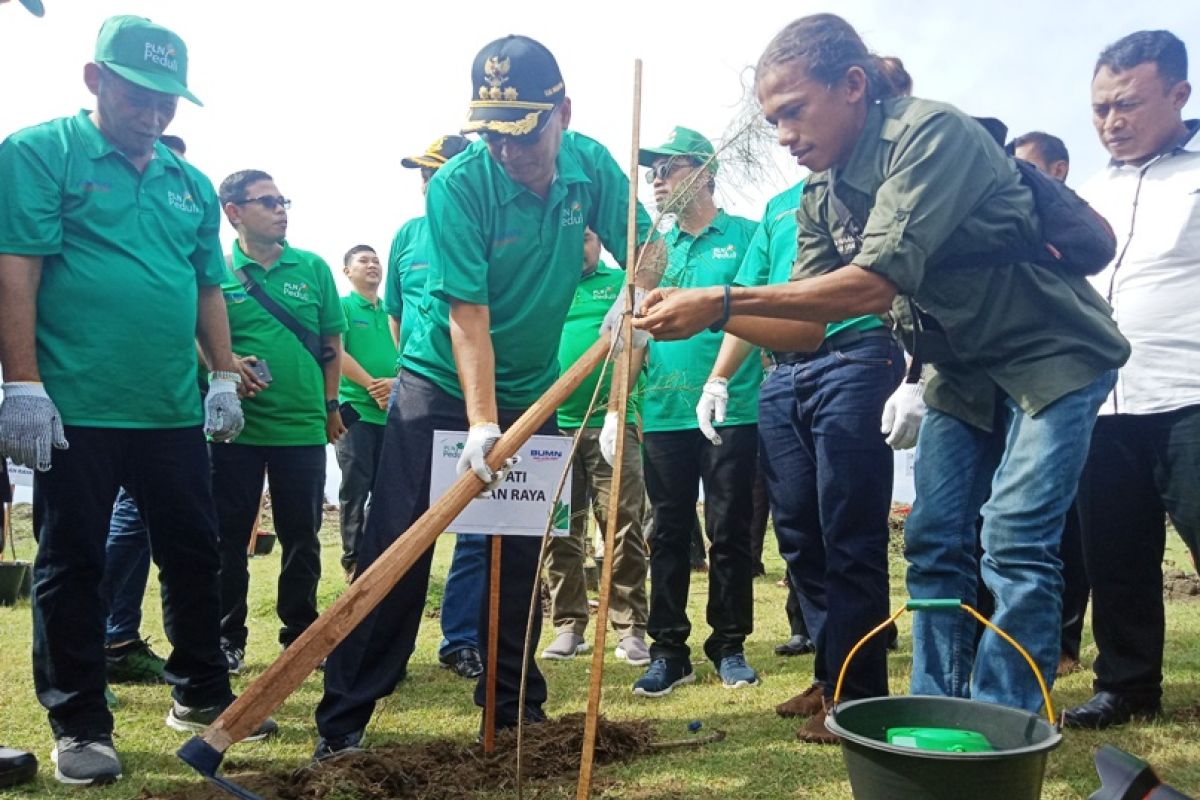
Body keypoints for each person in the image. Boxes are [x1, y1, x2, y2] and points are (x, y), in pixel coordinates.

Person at [634, 12, 1130, 718]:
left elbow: (874, 282)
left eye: (794, 112)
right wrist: (714, 312)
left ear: (853, 86)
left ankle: (1000, 724)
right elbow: (807, 330)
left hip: (1053, 353)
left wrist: (721, 298)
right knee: (932, 541)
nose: (784, 136)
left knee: (1015, 538)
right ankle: (937, 711)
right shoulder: (817, 196)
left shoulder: (931, 135)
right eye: (773, 120)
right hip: (960, 370)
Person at [312, 34, 652, 757]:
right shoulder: (458, 185)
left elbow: (647, 243)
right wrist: (480, 423)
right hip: (437, 390)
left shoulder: (591, 165)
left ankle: (511, 712)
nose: (507, 150)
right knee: (399, 553)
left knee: (518, 555)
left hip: (536, 389)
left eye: (522, 131)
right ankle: (343, 723)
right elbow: (469, 317)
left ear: (563, 111)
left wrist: (637, 288)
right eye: (491, 134)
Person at [0, 15, 275, 785]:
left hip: (168, 410)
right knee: (72, 563)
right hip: (77, 404)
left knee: (195, 553)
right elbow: (15, 267)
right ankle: (80, 720)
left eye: (168, 102)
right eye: (139, 96)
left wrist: (221, 374)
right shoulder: (37, 153)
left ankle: (201, 698)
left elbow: (205, 285)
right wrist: (20, 384)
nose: (154, 115)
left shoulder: (188, 182)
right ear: (95, 80)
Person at [708, 163, 904, 740]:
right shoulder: (776, 207)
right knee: (797, 535)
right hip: (783, 375)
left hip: (857, 356)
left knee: (849, 531)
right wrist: (718, 379)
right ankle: (830, 675)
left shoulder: (875, 187)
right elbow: (747, 303)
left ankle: (859, 697)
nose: (792, 135)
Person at [1065, 29, 1200, 730]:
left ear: (1179, 94)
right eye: (1099, 109)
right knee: (1113, 552)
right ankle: (1126, 685)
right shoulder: (1091, 192)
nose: (1111, 123)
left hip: (1191, 395)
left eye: (1128, 104)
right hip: (1102, 400)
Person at [631, 126, 762, 698]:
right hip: (663, 410)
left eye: (671, 168)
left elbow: (757, 315)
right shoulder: (654, 251)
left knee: (730, 529)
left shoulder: (746, 237)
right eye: (652, 172)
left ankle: (729, 645)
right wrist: (620, 408)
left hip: (730, 407)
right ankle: (667, 649)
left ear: (706, 171)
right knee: (667, 532)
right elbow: (632, 333)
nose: (658, 180)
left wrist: (719, 380)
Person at [213, 169, 346, 674]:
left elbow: (332, 344)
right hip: (233, 430)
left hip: (301, 428)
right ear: (234, 212)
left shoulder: (311, 268)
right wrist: (224, 363)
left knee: (302, 536)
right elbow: (195, 338)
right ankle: (227, 638)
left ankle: (300, 635)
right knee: (228, 539)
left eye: (282, 200)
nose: (280, 209)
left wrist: (332, 406)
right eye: (267, 202)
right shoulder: (217, 271)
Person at [387, 133, 484, 680]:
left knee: (478, 524)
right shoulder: (408, 234)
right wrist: (412, 365)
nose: (428, 184)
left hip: (482, 395)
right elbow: (397, 313)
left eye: (437, 173)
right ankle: (387, 654)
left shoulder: (483, 229)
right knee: (406, 527)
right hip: (420, 390)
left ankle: (462, 639)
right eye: (423, 175)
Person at [1002, 130, 1090, 678]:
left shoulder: (1076, 228)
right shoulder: (1011, 223)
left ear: (1057, 170)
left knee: (1064, 530)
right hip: (1020, 386)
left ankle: (1064, 643)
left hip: (1075, 379)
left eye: (1030, 168)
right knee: (1015, 526)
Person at [542, 227, 649, 665]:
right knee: (561, 527)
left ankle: (630, 628)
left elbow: (636, 344)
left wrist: (617, 409)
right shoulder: (545, 286)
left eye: (587, 236)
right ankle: (569, 625)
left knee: (622, 524)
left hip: (611, 426)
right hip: (553, 430)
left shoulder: (619, 286)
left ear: (600, 242)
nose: (579, 245)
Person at [335, 244, 396, 580]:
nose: (372, 265)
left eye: (376, 260)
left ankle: (381, 556)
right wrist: (376, 386)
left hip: (393, 413)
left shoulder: (392, 311)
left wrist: (395, 385)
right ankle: (354, 561)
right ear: (347, 271)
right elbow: (336, 354)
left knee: (387, 487)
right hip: (354, 410)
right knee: (354, 485)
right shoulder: (342, 306)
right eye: (363, 260)